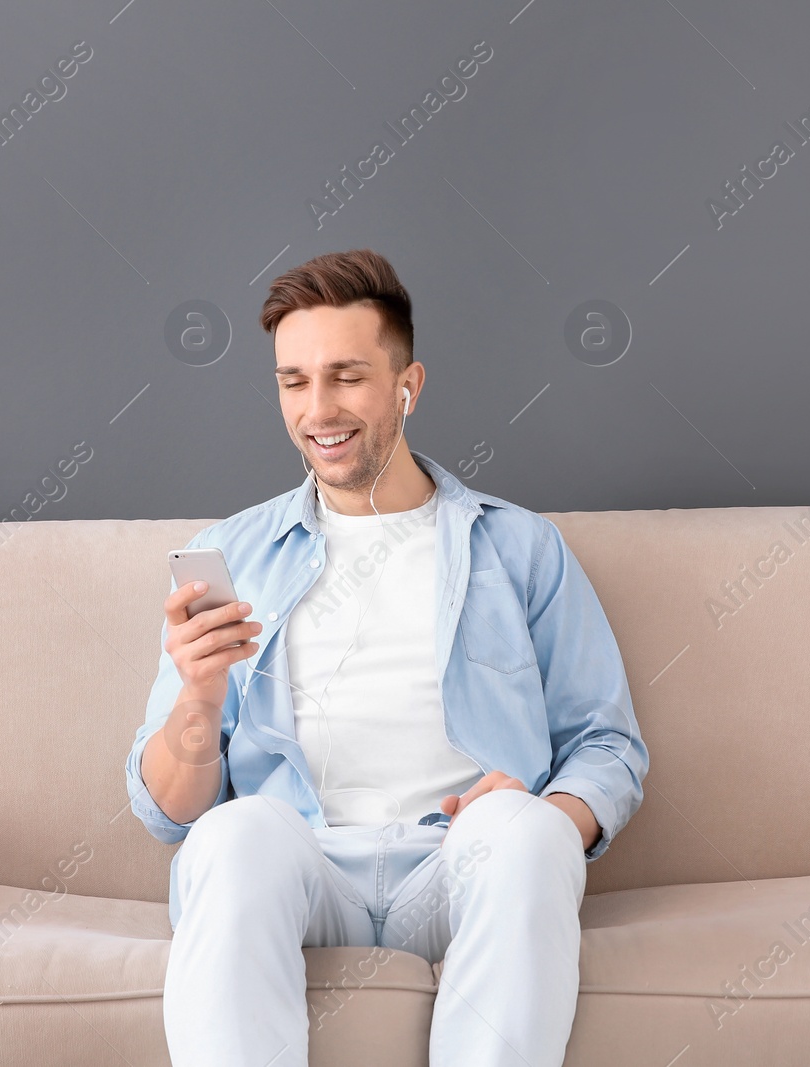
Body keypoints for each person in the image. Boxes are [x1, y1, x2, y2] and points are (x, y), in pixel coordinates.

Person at [126, 248, 648, 1066]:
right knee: (230, 835)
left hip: (460, 861)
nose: (318, 408)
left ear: (408, 385)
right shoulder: (230, 554)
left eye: (347, 376)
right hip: (306, 863)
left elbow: (609, 745)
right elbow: (170, 813)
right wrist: (196, 696)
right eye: (294, 381)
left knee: (529, 828)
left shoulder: (519, 548)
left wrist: (550, 816)